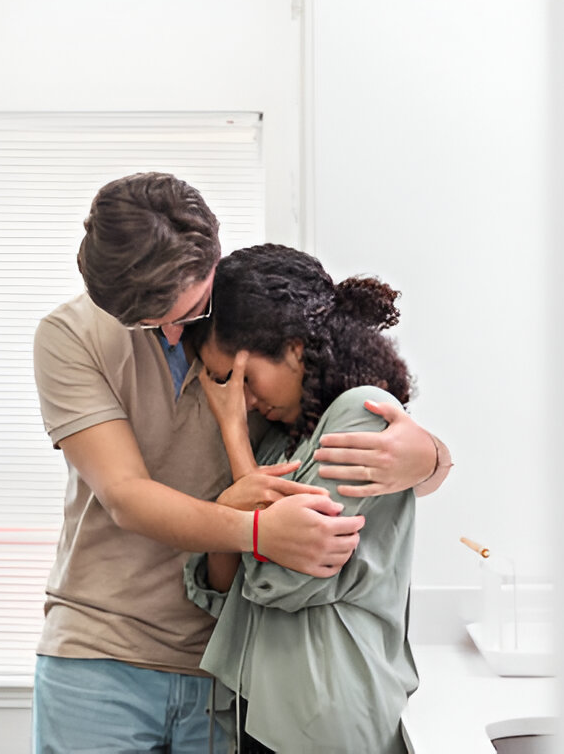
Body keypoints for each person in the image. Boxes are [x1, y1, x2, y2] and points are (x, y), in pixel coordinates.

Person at [31, 172, 450, 752]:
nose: (175, 335)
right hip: (103, 653)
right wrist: (255, 529)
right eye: (151, 324)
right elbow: (126, 495)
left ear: (213, 262)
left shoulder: (252, 321)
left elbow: (355, 452)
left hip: (224, 670)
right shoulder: (70, 335)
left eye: (189, 311)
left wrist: (430, 457)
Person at [184, 243, 438, 753]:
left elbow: (282, 577)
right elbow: (223, 591)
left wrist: (234, 439)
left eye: (245, 381)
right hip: (266, 709)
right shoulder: (287, 436)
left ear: (295, 348)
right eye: (227, 388)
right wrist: (231, 514)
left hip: (327, 715)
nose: (243, 401)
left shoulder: (361, 415)